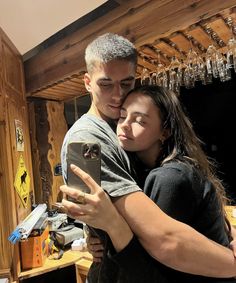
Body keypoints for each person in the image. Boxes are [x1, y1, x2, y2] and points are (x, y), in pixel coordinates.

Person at [60, 33, 236, 282]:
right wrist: (99, 233)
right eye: (106, 84)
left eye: (126, 83)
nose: (117, 94)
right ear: (87, 82)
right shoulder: (87, 139)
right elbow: (163, 238)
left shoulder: (118, 132)